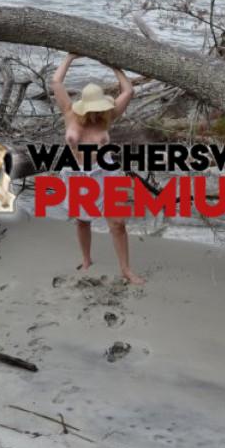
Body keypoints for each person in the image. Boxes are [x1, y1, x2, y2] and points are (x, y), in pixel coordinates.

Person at [50, 53, 145, 285]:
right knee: (83, 221)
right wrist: (70, 57)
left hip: (105, 171)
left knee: (118, 223)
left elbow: (128, 91)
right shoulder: (70, 112)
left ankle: (125, 269)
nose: (95, 112)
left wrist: (114, 64)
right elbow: (56, 83)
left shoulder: (107, 116)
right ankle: (86, 260)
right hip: (76, 173)